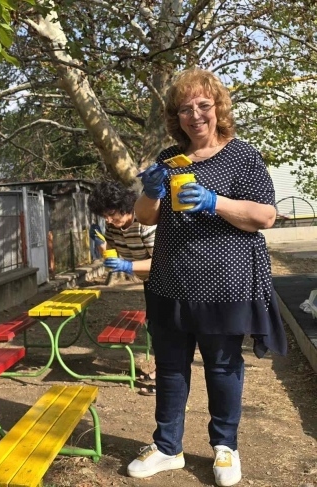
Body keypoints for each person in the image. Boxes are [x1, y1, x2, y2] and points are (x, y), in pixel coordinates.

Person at [129, 68, 287, 487]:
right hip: (169, 282)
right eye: (185, 109)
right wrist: (151, 191)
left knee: (221, 366)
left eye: (203, 105)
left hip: (225, 284)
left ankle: (225, 447)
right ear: (175, 117)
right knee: (170, 369)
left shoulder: (243, 156)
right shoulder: (167, 159)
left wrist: (215, 201)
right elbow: (144, 218)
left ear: (218, 108)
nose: (195, 115)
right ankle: (167, 448)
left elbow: (265, 216)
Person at [88, 179, 157, 281]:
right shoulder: (112, 225)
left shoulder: (144, 222)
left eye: (111, 214)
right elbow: (110, 253)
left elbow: (161, 262)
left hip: (167, 281)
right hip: (148, 280)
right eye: (104, 216)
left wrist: (128, 266)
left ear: (123, 206)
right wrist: (100, 241)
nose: (108, 220)